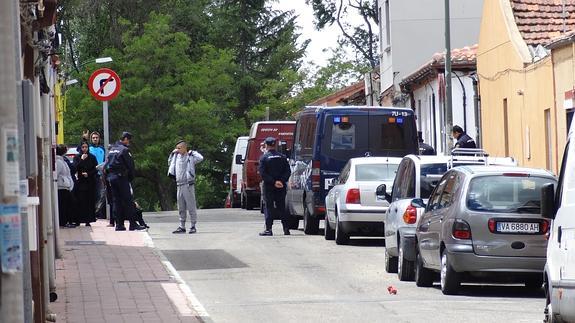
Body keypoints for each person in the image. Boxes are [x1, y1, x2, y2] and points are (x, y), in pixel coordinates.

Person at [104, 132, 146, 231]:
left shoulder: (112, 149)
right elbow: (130, 166)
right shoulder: (124, 150)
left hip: (111, 178)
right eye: (129, 140)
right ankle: (132, 224)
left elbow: (106, 165)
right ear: (126, 139)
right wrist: (130, 178)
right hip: (121, 178)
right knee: (128, 201)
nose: (129, 143)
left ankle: (119, 224)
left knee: (116, 201)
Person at [168, 140, 204, 234]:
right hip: (179, 184)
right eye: (177, 148)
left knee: (191, 206)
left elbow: (201, 158)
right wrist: (172, 153)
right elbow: (169, 163)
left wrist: (193, 152)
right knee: (181, 207)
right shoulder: (176, 156)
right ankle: (182, 226)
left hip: (187, 184)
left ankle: (193, 226)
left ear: (184, 147)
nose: (178, 150)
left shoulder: (190, 157)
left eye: (179, 148)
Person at [258, 137, 291, 236]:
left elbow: (263, 173)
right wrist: (281, 181)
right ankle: (286, 229)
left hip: (269, 186)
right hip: (281, 186)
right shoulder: (282, 157)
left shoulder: (264, 158)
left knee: (269, 207)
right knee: (282, 207)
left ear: (266, 145)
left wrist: (273, 182)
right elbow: (288, 171)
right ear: (275, 145)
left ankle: (268, 229)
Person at [73, 141, 99, 226]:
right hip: (80, 182)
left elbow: (95, 169)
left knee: (89, 201)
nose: (84, 149)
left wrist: (89, 174)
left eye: (86, 147)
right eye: (83, 147)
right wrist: (82, 159)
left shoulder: (92, 157)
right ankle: (79, 220)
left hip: (90, 182)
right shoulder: (77, 157)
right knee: (80, 201)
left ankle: (88, 220)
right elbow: (75, 168)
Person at [55, 145, 77, 228]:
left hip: (65, 186)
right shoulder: (59, 162)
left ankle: (66, 221)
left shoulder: (62, 160)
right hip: (62, 187)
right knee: (64, 206)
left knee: (67, 205)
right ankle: (63, 222)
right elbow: (56, 174)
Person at [89, 131, 107, 219]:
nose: (95, 139)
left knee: (101, 194)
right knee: (93, 193)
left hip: (101, 174)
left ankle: (98, 211)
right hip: (91, 174)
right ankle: (92, 211)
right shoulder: (89, 148)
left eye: (96, 138)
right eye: (93, 138)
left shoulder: (102, 149)